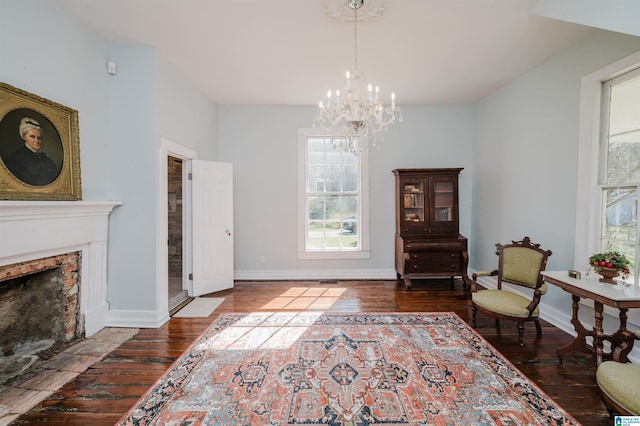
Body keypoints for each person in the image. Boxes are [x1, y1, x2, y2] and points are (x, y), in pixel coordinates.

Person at [3, 117, 60, 186]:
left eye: (39, 138)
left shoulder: (49, 162)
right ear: (24, 137)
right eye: (32, 137)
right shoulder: (12, 160)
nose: (36, 141)